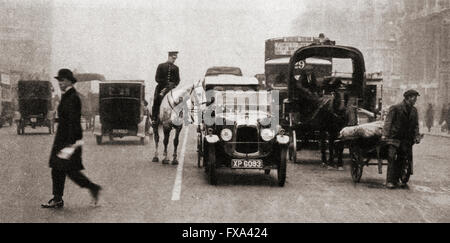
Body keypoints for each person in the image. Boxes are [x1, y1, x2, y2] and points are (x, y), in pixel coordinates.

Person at [41, 69, 102, 209]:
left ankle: (92, 188)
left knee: (67, 170)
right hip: (65, 139)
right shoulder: (68, 95)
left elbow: (73, 121)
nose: (60, 83)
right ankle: (58, 198)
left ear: (69, 81)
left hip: (68, 140)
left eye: (62, 80)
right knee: (60, 168)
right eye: (59, 81)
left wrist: (71, 144)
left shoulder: (72, 96)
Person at [382, 89, 421, 189]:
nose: (415, 99)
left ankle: (397, 179)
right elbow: (388, 122)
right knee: (391, 158)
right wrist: (385, 135)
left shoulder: (414, 110)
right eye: (414, 97)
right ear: (408, 98)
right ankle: (389, 181)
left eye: (416, 97)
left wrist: (417, 136)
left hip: (406, 139)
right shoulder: (396, 108)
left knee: (402, 159)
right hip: (394, 137)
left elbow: (416, 125)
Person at [151, 51, 180, 123]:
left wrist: (173, 85)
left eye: (175, 59)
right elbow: (157, 78)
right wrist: (165, 83)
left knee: (178, 101)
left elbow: (178, 80)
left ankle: (177, 117)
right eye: (173, 58)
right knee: (157, 99)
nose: (174, 60)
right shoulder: (161, 66)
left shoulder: (176, 68)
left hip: (171, 89)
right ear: (169, 57)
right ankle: (154, 118)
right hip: (161, 88)